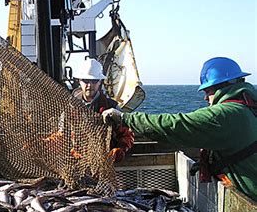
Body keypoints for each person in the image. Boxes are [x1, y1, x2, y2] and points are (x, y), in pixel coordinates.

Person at [102, 57, 257, 200]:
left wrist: (125, 118)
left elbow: (177, 125)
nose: (205, 98)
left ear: (222, 86)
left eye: (207, 91)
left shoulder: (228, 114)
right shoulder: (248, 108)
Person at [74, 58, 134, 162]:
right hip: (77, 164)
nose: (89, 85)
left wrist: (121, 149)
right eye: (86, 81)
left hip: (105, 162)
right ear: (79, 81)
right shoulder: (70, 107)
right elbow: (61, 135)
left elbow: (127, 134)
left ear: (100, 82)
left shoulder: (112, 108)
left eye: (94, 81)